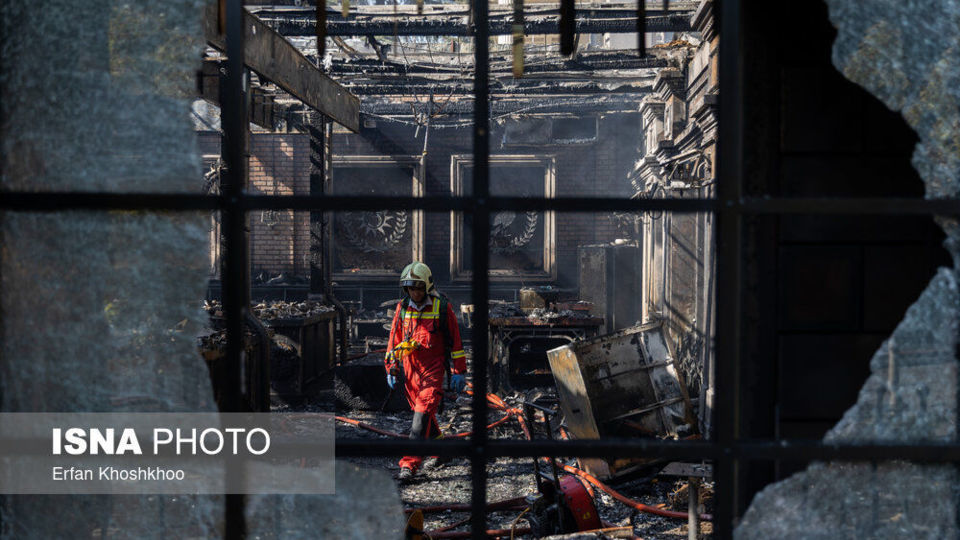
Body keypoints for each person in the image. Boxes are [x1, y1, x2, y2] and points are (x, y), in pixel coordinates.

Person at [384, 261, 467, 480]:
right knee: (425, 414)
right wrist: (391, 368)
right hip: (411, 372)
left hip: (433, 370)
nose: (415, 292)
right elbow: (394, 341)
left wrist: (459, 370)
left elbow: (456, 341)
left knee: (421, 415)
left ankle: (409, 464)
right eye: (411, 288)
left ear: (427, 287)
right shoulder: (403, 309)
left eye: (419, 288)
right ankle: (442, 451)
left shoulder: (441, 307)